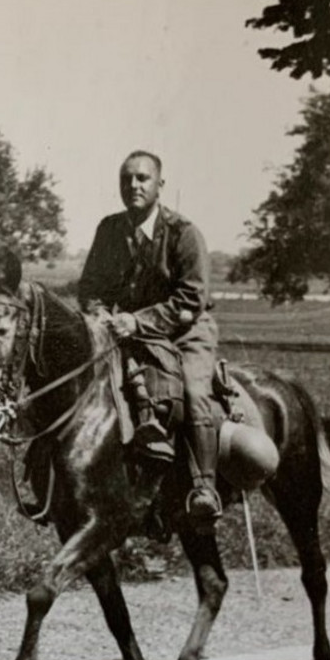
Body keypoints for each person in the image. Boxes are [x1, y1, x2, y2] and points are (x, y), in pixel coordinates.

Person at [78, 149, 224, 523]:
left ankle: (203, 488)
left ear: (160, 184)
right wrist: (99, 316)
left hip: (185, 331)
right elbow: (91, 285)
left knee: (192, 391)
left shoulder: (183, 233)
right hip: (125, 331)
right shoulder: (109, 230)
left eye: (142, 178)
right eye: (126, 179)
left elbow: (192, 298)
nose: (133, 185)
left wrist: (137, 321)